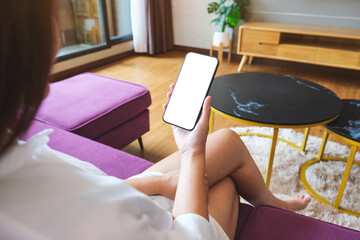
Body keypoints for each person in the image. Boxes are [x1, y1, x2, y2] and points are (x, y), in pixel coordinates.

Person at [0, 0, 311, 239]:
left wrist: (161, 181)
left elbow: (95, 187)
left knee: (228, 142)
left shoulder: (17, 156)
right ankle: (271, 208)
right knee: (225, 181)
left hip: (129, 200)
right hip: (172, 229)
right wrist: (192, 154)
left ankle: (272, 203)